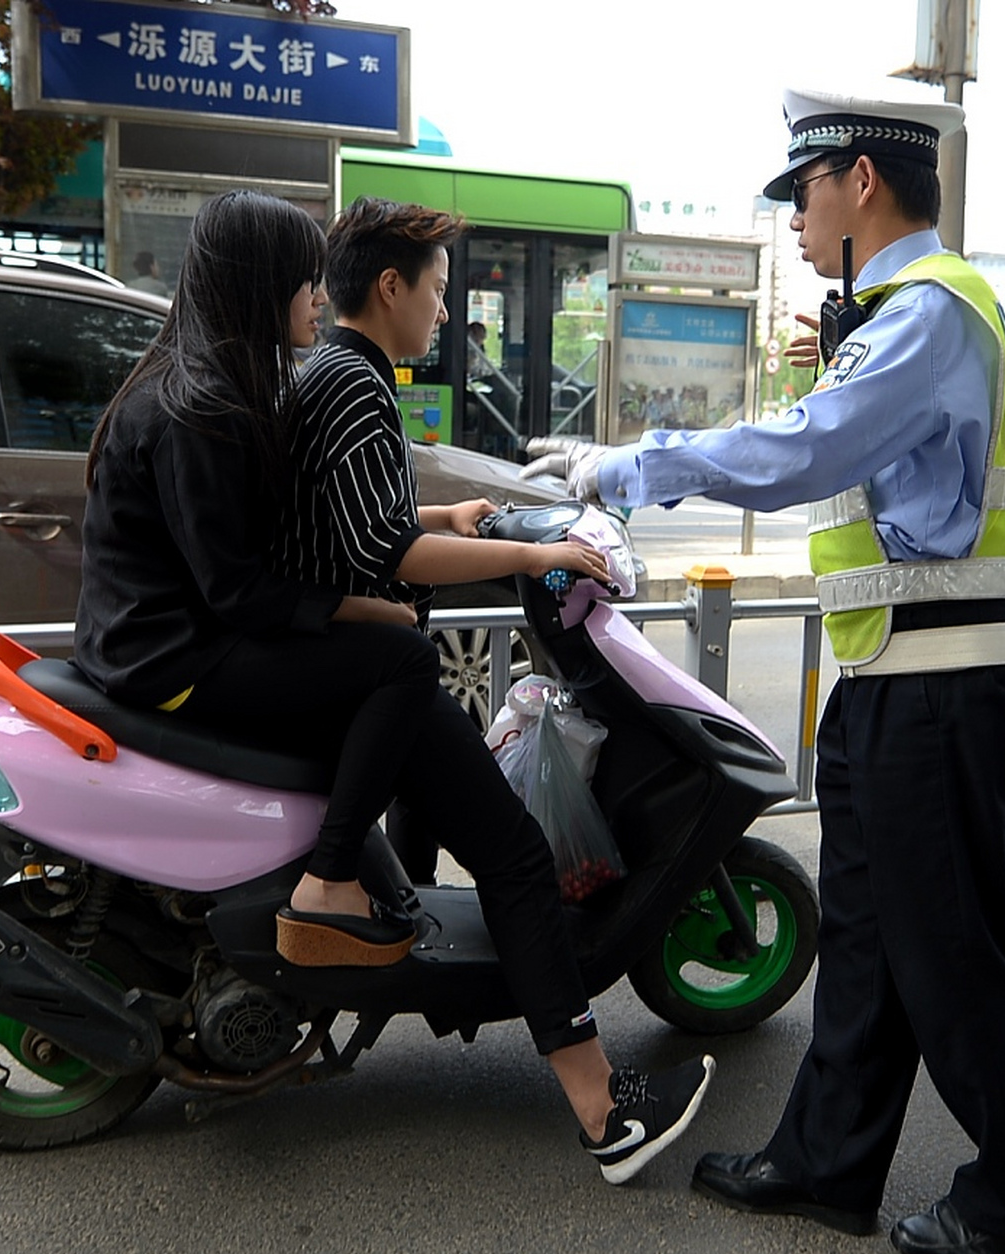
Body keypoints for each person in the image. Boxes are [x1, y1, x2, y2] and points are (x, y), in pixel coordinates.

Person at [524, 84, 1005, 1254]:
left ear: (859, 184)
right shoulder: (890, 311)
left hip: (943, 683)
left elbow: (806, 450)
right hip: (894, 677)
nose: (790, 218)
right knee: (870, 939)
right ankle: (827, 1160)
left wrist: (629, 466)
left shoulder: (927, 310)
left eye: (800, 193)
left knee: (949, 951)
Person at [276, 193, 715, 1184]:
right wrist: (545, 546)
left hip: (349, 665)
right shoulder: (353, 379)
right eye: (435, 292)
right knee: (517, 860)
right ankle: (605, 1114)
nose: (444, 315)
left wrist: (458, 512)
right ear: (387, 286)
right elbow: (384, 548)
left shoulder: (336, 372)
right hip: (369, 667)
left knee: (442, 822)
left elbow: (363, 515)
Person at [76, 191, 450, 973]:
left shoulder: (206, 383)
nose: (318, 298)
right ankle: (330, 879)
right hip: (172, 661)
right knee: (407, 660)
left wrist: (437, 519)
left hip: (155, 642)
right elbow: (238, 592)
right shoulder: (198, 409)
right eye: (302, 280)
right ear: (257, 284)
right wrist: (368, 608)